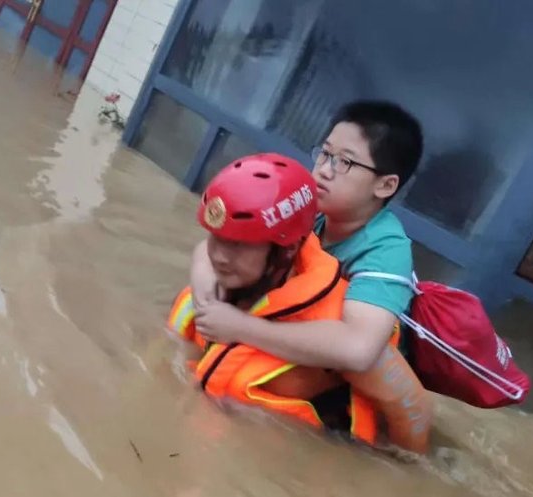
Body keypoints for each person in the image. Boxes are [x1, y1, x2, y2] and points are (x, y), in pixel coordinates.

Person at [167, 153, 431, 453]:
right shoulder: (217, 284)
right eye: (217, 238)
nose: (220, 256)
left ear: (288, 248)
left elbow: (415, 409)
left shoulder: (334, 329)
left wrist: (399, 469)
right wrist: (205, 300)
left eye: (239, 244)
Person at [189, 100, 424, 376]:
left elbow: (358, 349)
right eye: (325, 154)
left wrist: (240, 327)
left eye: (344, 162)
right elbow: (213, 248)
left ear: (385, 185)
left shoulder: (387, 251)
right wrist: (208, 307)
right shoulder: (306, 206)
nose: (324, 169)